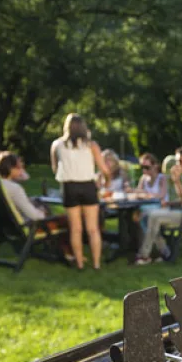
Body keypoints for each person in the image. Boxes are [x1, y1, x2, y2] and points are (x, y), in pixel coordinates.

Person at [50, 113, 109, 270]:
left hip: (69, 187)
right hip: (88, 186)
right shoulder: (91, 145)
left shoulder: (56, 145)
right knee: (93, 228)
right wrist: (107, 182)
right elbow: (104, 169)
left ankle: (80, 264)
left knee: (75, 229)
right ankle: (96, 264)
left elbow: (55, 169)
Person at [135, 146, 182, 265]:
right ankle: (164, 252)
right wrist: (168, 203)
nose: (177, 164)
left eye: (180, 161)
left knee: (153, 216)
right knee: (149, 216)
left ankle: (145, 255)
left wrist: (177, 181)